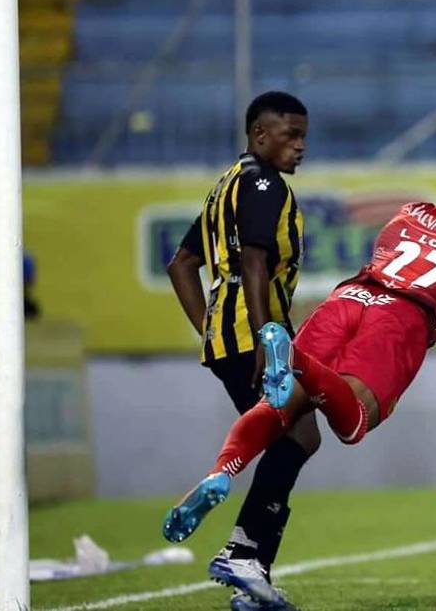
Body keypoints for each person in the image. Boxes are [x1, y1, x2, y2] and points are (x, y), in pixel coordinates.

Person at [163, 167, 436, 605]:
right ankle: (294, 358)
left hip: (348, 300)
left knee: (284, 408)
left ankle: (223, 482)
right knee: (354, 421)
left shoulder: (407, 214)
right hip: (401, 318)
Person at [165, 91, 320, 609]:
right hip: (258, 338)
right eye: (289, 135)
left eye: (303, 136)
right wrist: (265, 336)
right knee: (297, 434)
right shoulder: (263, 184)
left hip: (230, 336)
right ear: (260, 136)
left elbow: (181, 264)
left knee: (288, 435)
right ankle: (245, 551)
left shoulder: (223, 187)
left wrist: (209, 330)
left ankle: (251, 570)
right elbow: (255, 263)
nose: (299, 146)